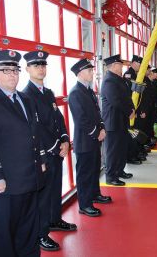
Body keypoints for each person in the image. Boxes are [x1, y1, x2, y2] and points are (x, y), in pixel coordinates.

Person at [0, 50, 46, 257]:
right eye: (6, 70)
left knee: (29, 231)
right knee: (5, 235)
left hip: (30, 179)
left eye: (15, 70)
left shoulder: (26, 99)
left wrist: (41, 159)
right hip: (5, 185)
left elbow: (35, 132)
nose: (12, 75)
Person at [22, 51, 77, 251]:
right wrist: (55, 146)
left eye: (43, 65)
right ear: (27, 69)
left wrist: (64, 139)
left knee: (55, 190)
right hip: (44, 154)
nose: (41, 69)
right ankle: (41, 234)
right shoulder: (27, 95)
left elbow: (58, 119)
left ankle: (55, 220)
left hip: (57, 151)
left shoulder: (48, 93)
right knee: (43, 197)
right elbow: (35, 126)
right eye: (36, 66)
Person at [68, 58, 111, 217]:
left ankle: (95, 194)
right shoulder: (75, 93)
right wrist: (96, 132)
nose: (92, 72)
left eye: (92, 70)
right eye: (89, 70)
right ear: (80, 73)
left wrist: (102, 127)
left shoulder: (88, 90)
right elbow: (81, 120)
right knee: (84, 174)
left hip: (94, 139)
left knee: (94, 170)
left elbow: (97, 113)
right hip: (85, 141)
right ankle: (84, 205)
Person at [101, 54, 135, 186]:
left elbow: (127, 97)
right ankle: (110, 176)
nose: (121, 67)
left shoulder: (118, 79)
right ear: (114, 66)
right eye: (120, 65)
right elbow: (115, 101)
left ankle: (119, 171)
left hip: (121, 120)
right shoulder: (109, 80)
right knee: (113, 150)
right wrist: (129, 112)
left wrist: (132, 109)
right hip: (113, 122)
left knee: (121, 148)